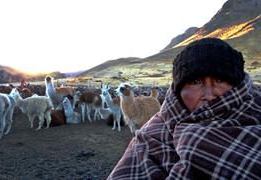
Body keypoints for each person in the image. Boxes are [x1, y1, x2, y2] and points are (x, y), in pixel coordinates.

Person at [108, 38, 261, 179]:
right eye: (195, 82)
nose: (208, 95)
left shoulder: (255, 113)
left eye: (220, 80)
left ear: (238, 86)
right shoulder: (151, 137)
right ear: (178, 91)